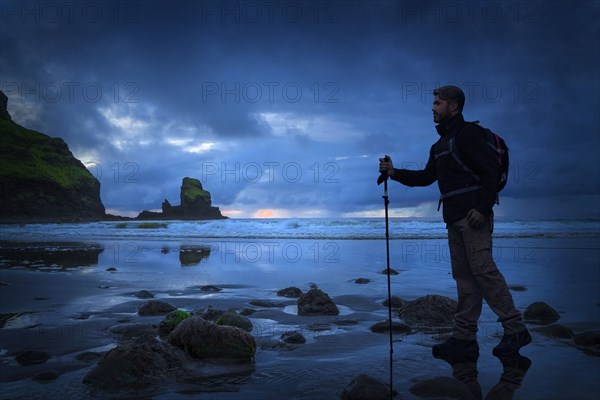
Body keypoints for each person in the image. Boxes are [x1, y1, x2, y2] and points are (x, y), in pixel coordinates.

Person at [379, 85, 531, 359]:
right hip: (453, 218)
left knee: (484, 272)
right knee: (464, 278)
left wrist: (483, 209)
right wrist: (394, 172)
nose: (433, 107)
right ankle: (464, 339)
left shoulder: (468, 134)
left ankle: (515, 329)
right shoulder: (438, 145)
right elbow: (426, 177)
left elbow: (490, 171)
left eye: (438, 103)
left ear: (455, 106)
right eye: (434, 103)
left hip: (474, 217)